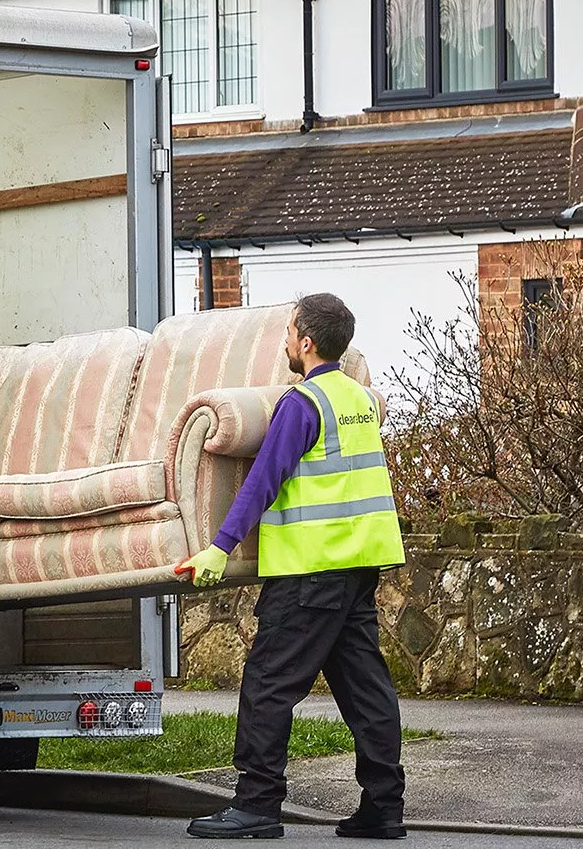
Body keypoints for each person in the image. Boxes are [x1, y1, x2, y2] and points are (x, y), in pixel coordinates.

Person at [175, 293, 408, 840]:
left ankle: (257, 805)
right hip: (358, 568)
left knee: (268, 683)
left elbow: (264, 479)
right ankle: (384, 806)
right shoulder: (359, 400)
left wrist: (220, 545)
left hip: (308, 572)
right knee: (365, 689)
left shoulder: (302, 404)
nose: (284, 340)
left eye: (287, 331)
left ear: (305, 342)